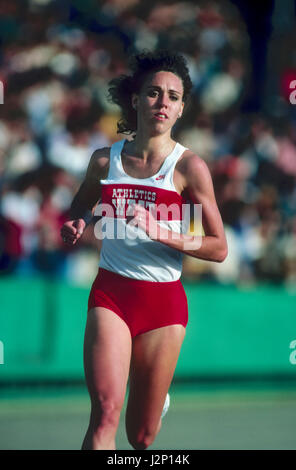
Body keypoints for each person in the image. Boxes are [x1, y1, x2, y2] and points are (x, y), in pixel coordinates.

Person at [60, 50, 228, 450]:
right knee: (104, 415)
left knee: (141, 436)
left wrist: (160, 231)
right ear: (135, 100)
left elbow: (216, 247)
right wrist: (78, 222)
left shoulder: (188, 169)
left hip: (163, 305)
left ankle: (154, 405)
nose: (162, 103)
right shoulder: (106, 161)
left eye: (173, 96)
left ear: (182, 108)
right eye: (154, 93)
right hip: (111, 294)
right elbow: (81, 204)